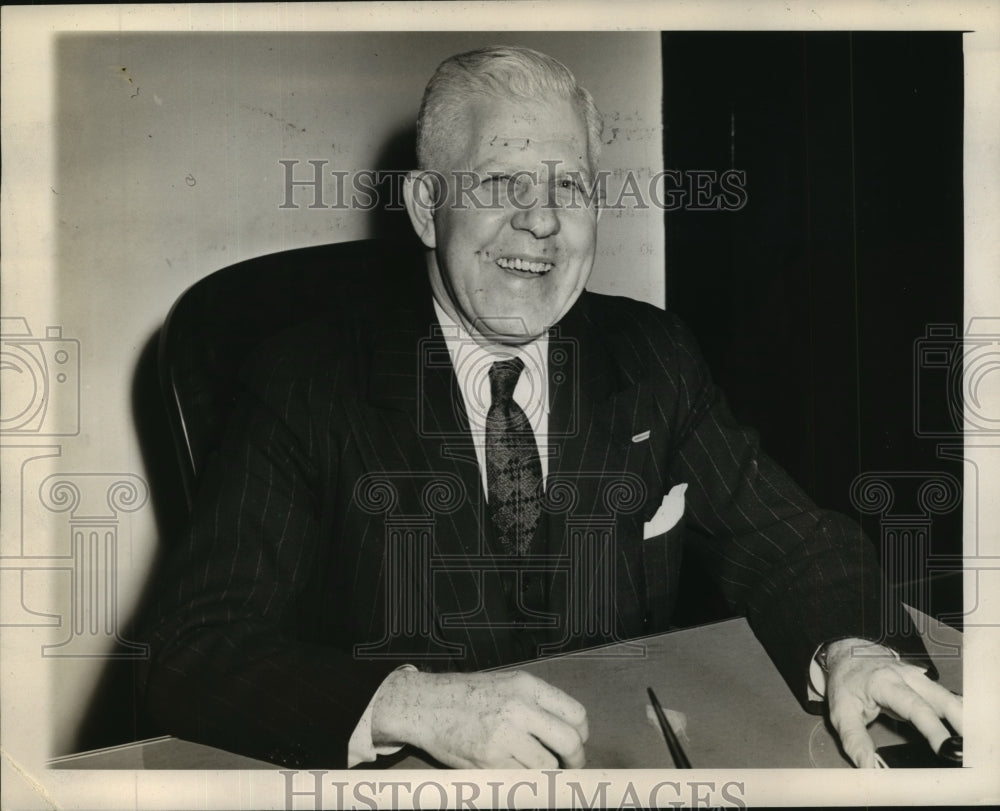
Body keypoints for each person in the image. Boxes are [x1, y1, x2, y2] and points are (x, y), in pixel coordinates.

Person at [142, 45, 962, 770]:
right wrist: (407, 702)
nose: (541, 220)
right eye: (501, 182)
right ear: (428, 207)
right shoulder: (309, 379)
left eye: (569, 185)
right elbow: (192, 646)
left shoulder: (652, 355)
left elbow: (792, 542)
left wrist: (853, 646)